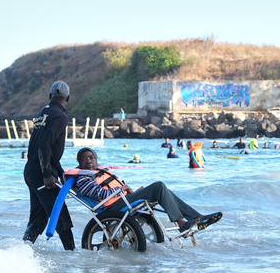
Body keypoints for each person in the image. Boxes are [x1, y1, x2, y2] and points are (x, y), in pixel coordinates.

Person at [73, 147, 221, 232]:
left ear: (95, 159)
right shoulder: (83, 178)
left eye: (91, 157)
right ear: (79, 163)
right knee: (158, 186)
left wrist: (125, 190)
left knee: (163, 191)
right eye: (84, 159)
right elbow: (101, 194)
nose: (89, 161)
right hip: (112, 207)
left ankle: (197, 217)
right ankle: (182, 223)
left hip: (121, 199)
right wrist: (122, 188)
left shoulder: (99, 171)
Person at [22, 81, 75, 249]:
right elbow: (44, 145)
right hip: (40, 170)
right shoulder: (60, 116)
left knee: (39, 217)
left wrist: (59, 172)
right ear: (68, 97)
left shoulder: (42, 113)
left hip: (31, 169)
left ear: (50, 96)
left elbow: (47, 149)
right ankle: (72, 252)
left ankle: (23, 250)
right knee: (60, 213)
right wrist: (47, 174)